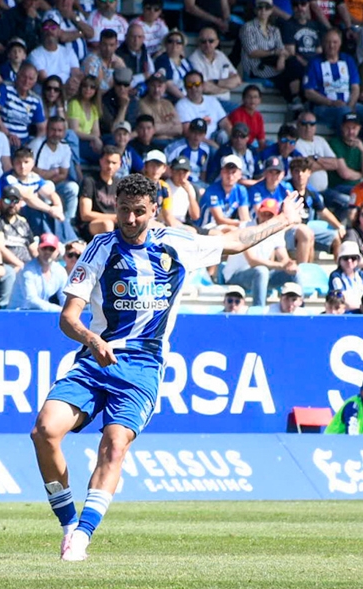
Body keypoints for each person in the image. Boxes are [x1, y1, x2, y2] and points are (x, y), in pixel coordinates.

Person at [32, 175, 304, 561]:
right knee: (44, 431)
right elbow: (68, 317)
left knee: (115, 444)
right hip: (95, 359)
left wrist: (285, 219)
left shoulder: (177, 244)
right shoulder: (100, 248)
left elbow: (236, 241)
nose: (129, 219)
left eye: (138, 211)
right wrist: (92, 340)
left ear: (154, 211)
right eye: (123, 210)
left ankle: (82, 538)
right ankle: (67, 525)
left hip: (143, 364)